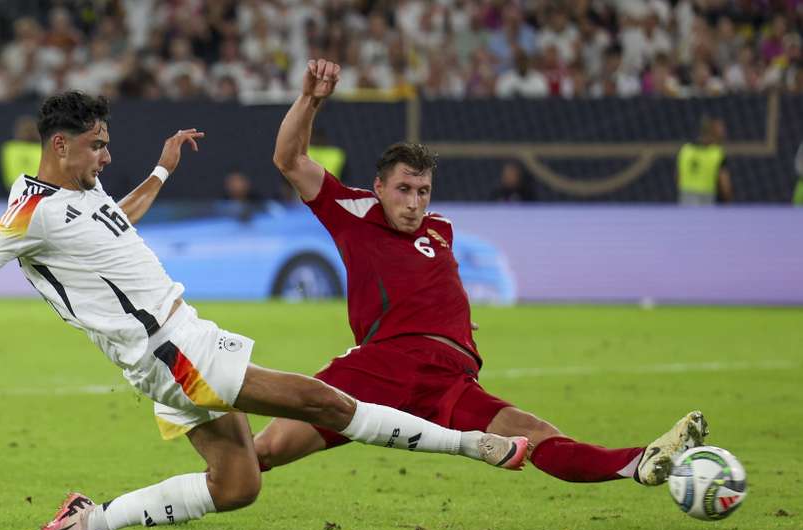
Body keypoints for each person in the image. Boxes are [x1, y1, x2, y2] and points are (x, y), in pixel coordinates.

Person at [0, 91, 528, 530]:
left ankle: (84, 524)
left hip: (170, 349)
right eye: (97, 147)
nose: (105, 157)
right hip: (169, 349)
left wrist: (161, 170)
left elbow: (118, 219)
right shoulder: (27, 213)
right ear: (60, 146)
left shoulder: (79, 197)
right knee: (321, 400)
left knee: (238, 485)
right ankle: (474, 445)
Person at [256, 58, 706, 492]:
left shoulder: (442, 229)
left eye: (423, 191)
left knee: (532, 434)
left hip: (448, 378)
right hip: (384, 365)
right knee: (267, 450)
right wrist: (310, 100)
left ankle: (640, 461)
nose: (414, 203)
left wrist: (453, 323)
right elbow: (288, 159)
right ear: (379, 188)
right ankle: (198, 480)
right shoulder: (353, 211)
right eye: (404, 190)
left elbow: (432, 286)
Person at [677, 116, 732, 205]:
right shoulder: (717, 153)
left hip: (686, 201)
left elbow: (678, 177)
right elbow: (725, 185)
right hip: (706, 202)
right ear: (712, 130)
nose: (724, 132)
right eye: (721, 128)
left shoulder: (685, 150)